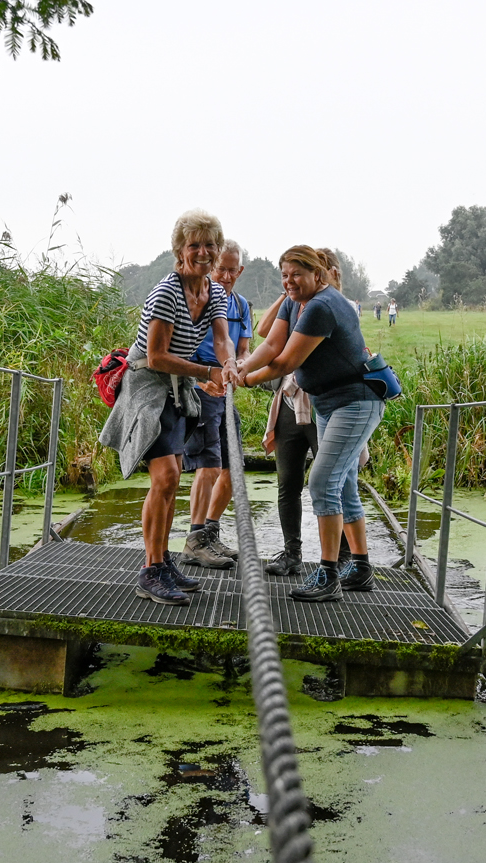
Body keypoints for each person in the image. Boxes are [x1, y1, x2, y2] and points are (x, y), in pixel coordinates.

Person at [231, 246, 383, 602]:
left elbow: (285, 362)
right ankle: (360, 567)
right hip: (327, 402)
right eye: (284, 275)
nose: (289, 281)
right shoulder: (294, 301)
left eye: (296, 274)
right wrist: (243, 365)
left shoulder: (321, 306)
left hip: (355, 402)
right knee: (343, 482)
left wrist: (246, 380)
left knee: (322, 481)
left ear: (319, 275)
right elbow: (271, 343)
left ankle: (328, 575)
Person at [100, 210, 234, 606]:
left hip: (178, 387)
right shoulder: (166, 292)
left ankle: (161, 562)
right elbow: (157, 356)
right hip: (147, 384)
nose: (204, 252)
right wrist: (205, 369)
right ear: (179, 250)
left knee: (172, 478)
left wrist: (227, 366)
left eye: (210, 244)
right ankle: (150, 570)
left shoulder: (214, 292)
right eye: (194, 245)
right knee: (165, 477)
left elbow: (223, 339)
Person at [178, 240, 252, 569]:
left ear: (240, 271)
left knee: (233, 469)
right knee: (208, 465)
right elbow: (179, 353)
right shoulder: (200, 300)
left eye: (230, 270)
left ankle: (209, 533)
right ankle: (194, 542)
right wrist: (201, 380)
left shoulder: (241, 306)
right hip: (200, 390)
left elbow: (243, 349)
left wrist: (240, 368)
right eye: (219, 268)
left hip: (226, 391)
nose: (224, 275)